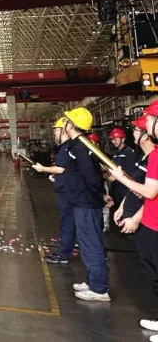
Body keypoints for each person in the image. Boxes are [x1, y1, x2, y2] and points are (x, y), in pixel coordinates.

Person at [110, 101, 158, 338]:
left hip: (154, 223)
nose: (145, 124)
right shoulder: (149, 157)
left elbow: (149, 192)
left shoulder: (155, 157)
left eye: (148, 119)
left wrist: (121, 178)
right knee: (153, 272)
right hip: (150, 222)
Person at [61, 107, 111, 302]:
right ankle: (92, 281)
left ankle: (99, 289)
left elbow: (92, 176)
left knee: (91, 245)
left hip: (86, 203)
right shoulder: (81, 145)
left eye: (66, 121)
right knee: (87, 243)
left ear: (71, 125)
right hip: (84, 201)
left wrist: (98, 195)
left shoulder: (81, 147)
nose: (63, 125)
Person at [33, 118, 75, 265]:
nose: (55, 133)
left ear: (64, 130)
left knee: (67, 223)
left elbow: (60, 169)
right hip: (71, 190)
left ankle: (64, 254)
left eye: (56, 130)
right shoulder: (71, 147)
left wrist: (42, 169)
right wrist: (56, 177)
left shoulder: (66, 148)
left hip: (68, 193)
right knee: (73, 223)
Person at [113, 116, 151, 236]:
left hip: (145, 222)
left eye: (136, 129)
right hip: (133, 217)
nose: (133, 132)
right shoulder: (141, 158)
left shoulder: (152, 160)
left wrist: (135, 220)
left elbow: (151, 196)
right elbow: (133, 186)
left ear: (145, 136)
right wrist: (122, 207)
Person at [109, 127, 137, 209]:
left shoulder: (129, 153)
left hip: (125, 190)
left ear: (123, 139)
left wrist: (116, 178)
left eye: (115, 139)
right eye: (112, 139)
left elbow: (130, 172)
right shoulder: (116, 154)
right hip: (116, 190)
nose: (113, 141)